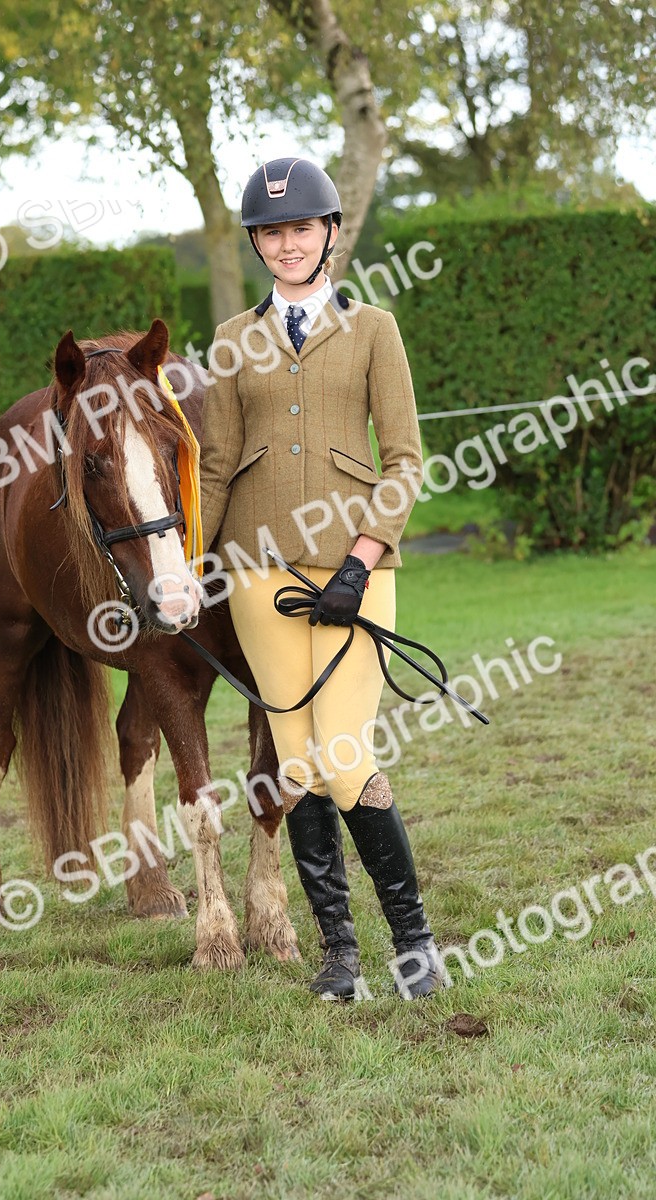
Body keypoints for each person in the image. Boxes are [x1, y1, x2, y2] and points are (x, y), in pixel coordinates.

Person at [199, 156, 446, 1002]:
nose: (288, 243)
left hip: (353, 574)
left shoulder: (375, 329)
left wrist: (362, 558)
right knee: (295, 765)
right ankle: (338, 955)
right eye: (272, 232)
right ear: (259, 244)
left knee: (344, 756)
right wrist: (186, 560)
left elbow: (407, 459)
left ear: (330, 234)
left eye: (302, 227)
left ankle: (414, 944)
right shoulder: (233, 339)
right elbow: (219, 462)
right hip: (258, 572)